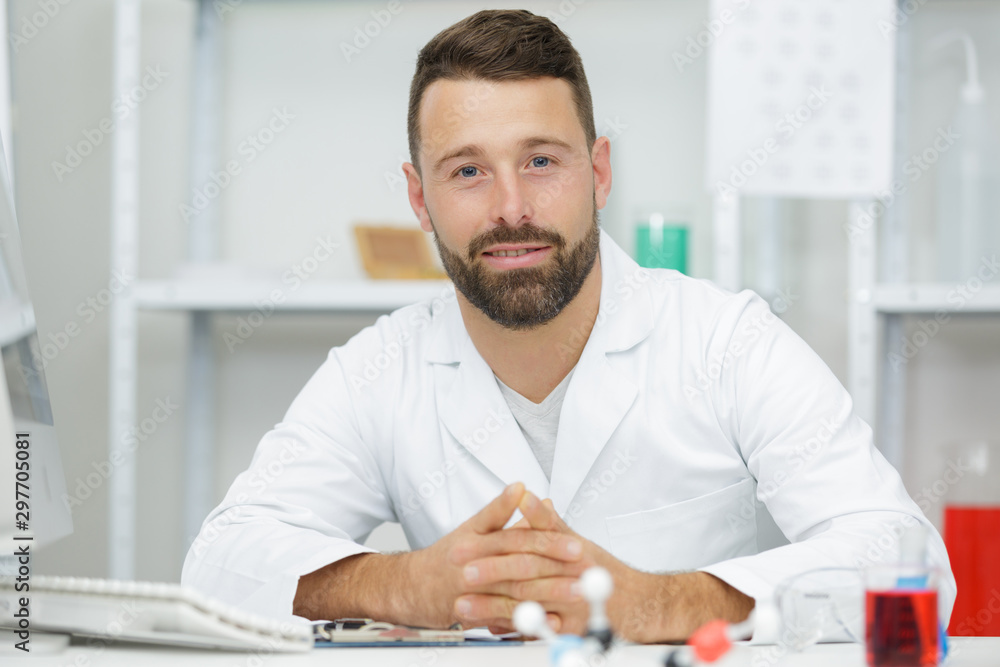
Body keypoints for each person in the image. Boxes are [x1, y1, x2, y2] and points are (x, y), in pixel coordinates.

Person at [182, 9, 955, 643]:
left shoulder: (727, 343)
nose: (511, 206)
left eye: (542, 161)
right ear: (419, 198)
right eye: (468, 170)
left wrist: (664, 601)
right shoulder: (378, 369)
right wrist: (406, 583)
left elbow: (907, 562)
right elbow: (217, 562)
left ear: (601, 170)